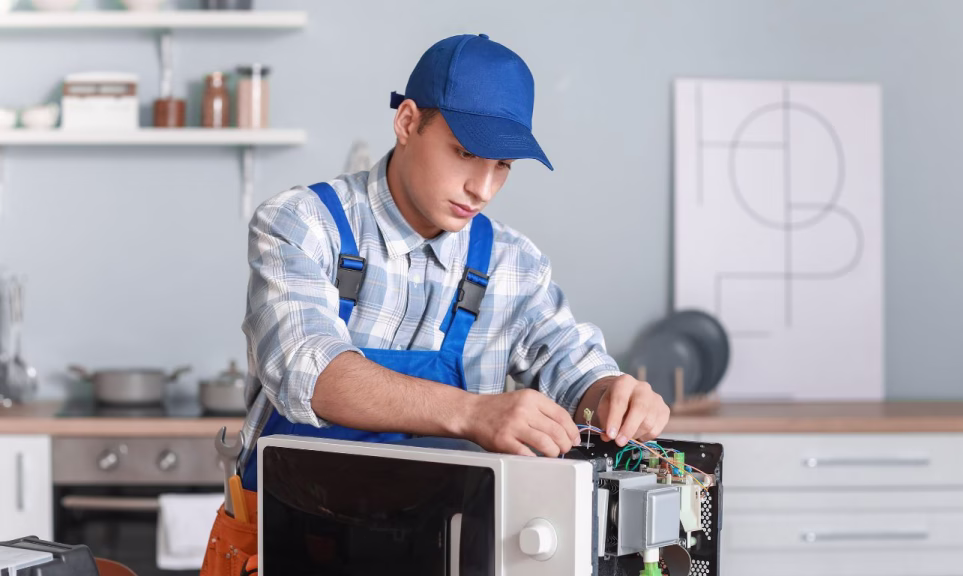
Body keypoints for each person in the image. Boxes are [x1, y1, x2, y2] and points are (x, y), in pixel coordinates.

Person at [200, 33, 670, 576]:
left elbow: (574, 369)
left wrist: (612, 396)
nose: (483, 188)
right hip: (286, 547)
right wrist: (472, 413)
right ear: (407, 122)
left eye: (503, 166)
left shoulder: (512, 265)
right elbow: (311, 371)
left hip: (442, 552)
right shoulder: (303, 224)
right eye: (465, 153)